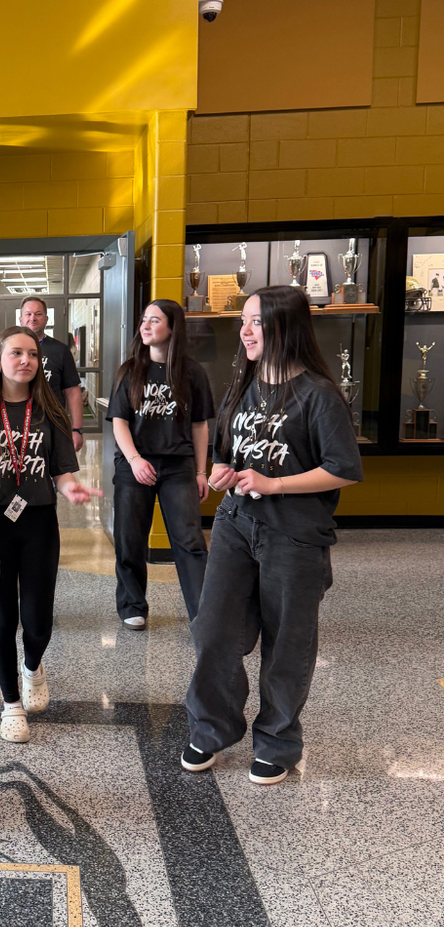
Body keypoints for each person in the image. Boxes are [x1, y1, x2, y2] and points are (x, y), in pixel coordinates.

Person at [182, 286, 362, 785]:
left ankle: (278, 741)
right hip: (236, 525)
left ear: (284, 326)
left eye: (255, 322)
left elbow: (343, 469)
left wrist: (275, 483)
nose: (244, 331)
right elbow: (226, 448)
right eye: (244, 321)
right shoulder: (244, 382)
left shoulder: (319, 395)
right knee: (213, 628)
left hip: (296, 535)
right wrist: (222, 469)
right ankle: (212, 727)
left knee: (288, 643)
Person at [0, 327, 101, 743]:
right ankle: (10, 704)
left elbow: (61, 471)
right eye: (16, 353)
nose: (26, 360)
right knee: (2, 618)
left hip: (39, 522)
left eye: (33, 355)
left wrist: (70, 486)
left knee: (38, 621)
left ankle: (32, 666)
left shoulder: (50, 412)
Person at [106, 299, 215, 630]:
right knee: (130, 540)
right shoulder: (130, 370)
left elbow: (199, 425)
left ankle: (203, 612)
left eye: (155, 320)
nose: (145, 325)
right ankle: (132, 605)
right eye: (144, 319)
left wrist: (201, 472)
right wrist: (135, 460)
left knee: (190, 541)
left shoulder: (192, 372)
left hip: (178, 467)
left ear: (172, 327)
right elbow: (119, 422)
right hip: (134, 465)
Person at [18, 296, 85, 452]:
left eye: (38, 314)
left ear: (46, 319)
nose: (32, 318)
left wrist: (77, 429)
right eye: (28, 314)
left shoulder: (60, 350)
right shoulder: (10, 349)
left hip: (53, 427)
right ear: (21, 319)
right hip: (17, 426)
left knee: (55, 474)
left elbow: (73, 392)